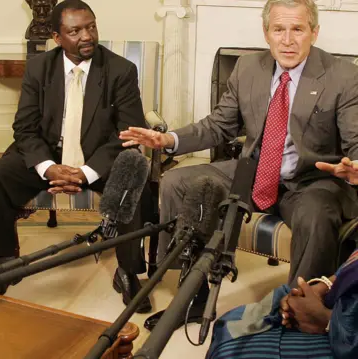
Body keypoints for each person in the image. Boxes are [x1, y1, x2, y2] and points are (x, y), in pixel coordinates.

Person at [120, 0, 358, 329]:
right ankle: (193, 294)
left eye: (297, 29)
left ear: (314, 32)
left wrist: (355, 166)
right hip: (255, 170)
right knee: (179, 182)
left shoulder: (343, 76)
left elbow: (355, 141)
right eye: (279, 29)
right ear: (266, 33)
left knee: (317, 215)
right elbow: (218, 126)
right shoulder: (248, 68)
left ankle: (300, 310)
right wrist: (168, 139)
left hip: (311, 180)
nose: (287, 39)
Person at [0, 0, 156, 313]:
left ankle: (127, 270)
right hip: (50, 156)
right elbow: (24, 127)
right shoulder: (38, 67)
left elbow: (129, 132)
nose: (87, 36)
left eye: (91, 27)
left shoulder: (121, 70)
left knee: (136, 181)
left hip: (99, 160)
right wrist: (48, 168)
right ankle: (6, 258)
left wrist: (85, 173)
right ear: (57, 37)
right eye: (75, 31)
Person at [206, 249, 358, 359]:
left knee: (231, 353)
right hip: (343, 300)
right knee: (231, 322)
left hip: (348, 334)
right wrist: (322, 287)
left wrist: (327, 321)